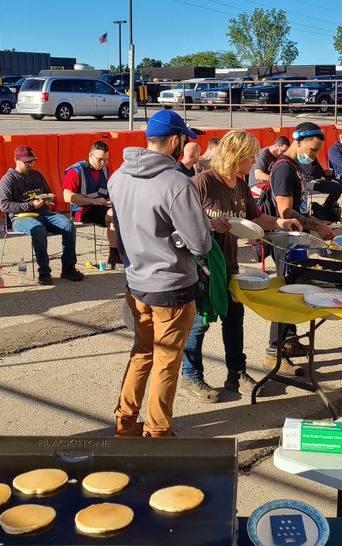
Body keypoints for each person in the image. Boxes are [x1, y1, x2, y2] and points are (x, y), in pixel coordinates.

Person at [110, 109, 214, 438]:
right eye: (184, 139)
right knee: (166, 361)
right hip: (172, 286)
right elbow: (200, 243)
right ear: (174, 141)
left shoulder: (117, 177)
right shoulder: (176, 183)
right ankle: (157, 433)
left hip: (136, 282)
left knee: (142, 354)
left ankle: (125, 423)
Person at [180, 130, 302, 403]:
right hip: (203, 267)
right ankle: (191, 376)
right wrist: (210, 224)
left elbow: (255, 218)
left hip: (230, 265)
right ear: (237, 157)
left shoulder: (239, 184)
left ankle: (236, 373)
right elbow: (182, 223)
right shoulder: (201, 183)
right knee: (199, 323)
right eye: (250, 158)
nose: (254, 163)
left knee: (234, 320)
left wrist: (280, 223)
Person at [264, 122, 337, 370]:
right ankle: (274, 351)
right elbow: (285, 212)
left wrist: (315, 222)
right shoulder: (284, 169)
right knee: (285, 295)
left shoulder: (294, 167)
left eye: (317, 151)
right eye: (313, 149)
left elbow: (300, 208)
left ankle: (290, 340)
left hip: (297, 240)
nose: (314, 155)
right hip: (286, 242)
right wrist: (315, 226)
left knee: (295, 290)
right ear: (298, 141)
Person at [0, 145, 83, 285]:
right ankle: (44, 272)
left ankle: (68, 268)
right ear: (16, 160)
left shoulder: (37, 175)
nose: (31, 164)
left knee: (68, 225)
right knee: (38, 230)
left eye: (32, 161)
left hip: (44, 213)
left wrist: (48, 199)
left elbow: (48, 193)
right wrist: (31, 205)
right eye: (27, 162)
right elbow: (5, 205)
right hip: (21, 217)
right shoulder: (8, 180)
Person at [63, 141, 121, 268]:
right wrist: (93, 201)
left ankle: (116, 254)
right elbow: (67, 197)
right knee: (115, 215)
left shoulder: (106, 170)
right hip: (83, 210)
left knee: (121, 214)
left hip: (101, 207)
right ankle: (115, 253)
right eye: (100, 159)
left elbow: (110, 191)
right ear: (90, 155)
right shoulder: (75, 171)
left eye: (106, 160)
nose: (103, 163)